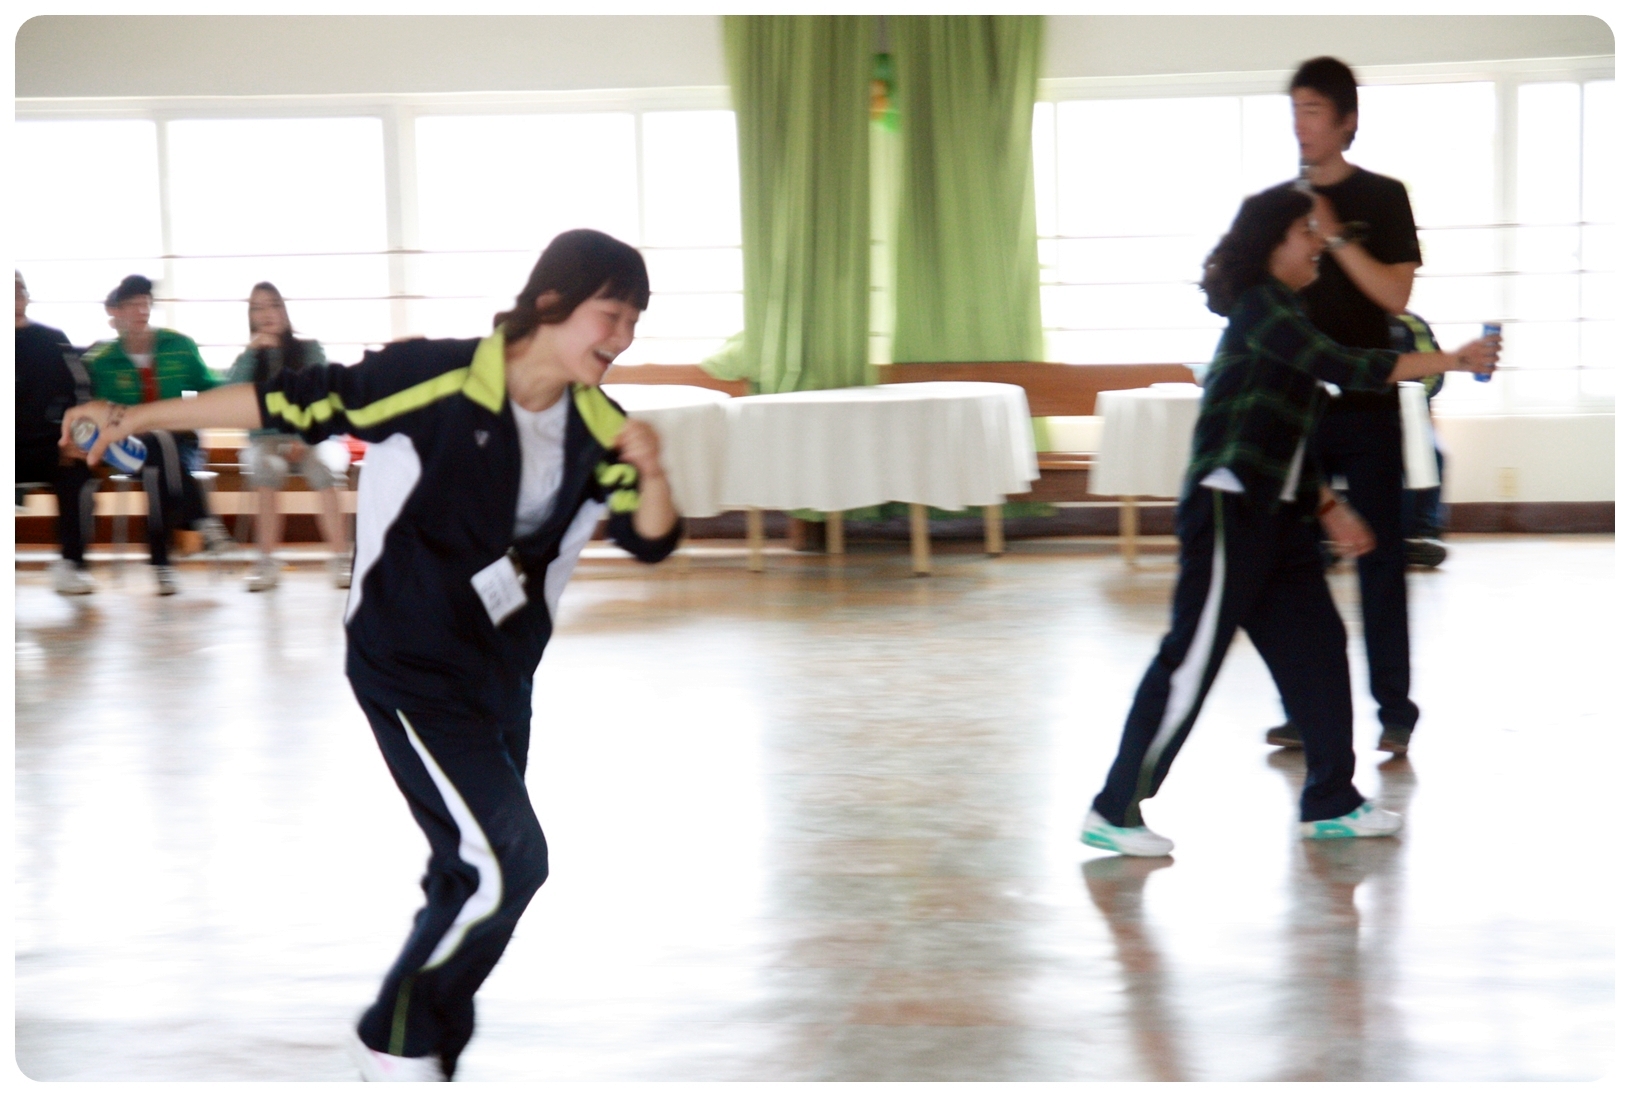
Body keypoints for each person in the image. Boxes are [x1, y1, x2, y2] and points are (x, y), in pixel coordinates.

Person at [63, 229, 681, 1081]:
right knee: (511, 861)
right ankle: (394, 1040)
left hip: (503, 673)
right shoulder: (435, 376)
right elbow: (283, 401)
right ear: (552, 302)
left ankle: (430, 1040)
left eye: (636, 320)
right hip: (408, 662)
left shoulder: (598, 424)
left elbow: (651, 541)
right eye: (611, 314)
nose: (624, 336)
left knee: (466, 865)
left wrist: (653, 471)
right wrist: (132, 416)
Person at [1078, 186, 1498, 858]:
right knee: (1191, 657)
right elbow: (1345, 367)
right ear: (1273, 242)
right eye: (1307, 231)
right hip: (1231, 508)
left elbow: (1287, 433)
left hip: (1278, 514)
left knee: (1318, 648)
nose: (1317, 243)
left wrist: (1329, 509)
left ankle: (1331, 801)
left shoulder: (1286, 313)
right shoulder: (1261, 307)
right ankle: (1113, 808)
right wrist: (1453, 358)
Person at [1266, 56, 1427, 757]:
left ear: (1345, 121)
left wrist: (1333, 233)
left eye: (1312, 111)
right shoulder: (1278, 204)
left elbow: (1395, 296)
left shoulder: (1384, 198)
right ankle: (1303, 710)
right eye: (1294, 111)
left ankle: (1395, 710)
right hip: (1297, 408)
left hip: (1367, 403)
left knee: (1380, 558)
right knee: (1294, 564)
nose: (1299, 125)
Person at [80, 274, 233, 595]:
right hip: (126, 447)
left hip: (181, 442)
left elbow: (208, 386)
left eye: (146, 303)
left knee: (159, 462)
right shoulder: (103, 362)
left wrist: (242, 386)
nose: (141, 310)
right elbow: (96, 411)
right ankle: (201, 520)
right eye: (132, 305)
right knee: (157, 448)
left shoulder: (179, 346)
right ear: (116, 313)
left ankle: (162, 566)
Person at [225, 282, 352, 591]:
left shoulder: (310, 350)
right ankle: (266, 562)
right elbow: (230, 395)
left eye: (273, 305)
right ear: (250, 316)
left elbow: (322, 397)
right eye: (257, 308)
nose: (266, 313)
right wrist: (250, 352)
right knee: (265, 470)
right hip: (264, 440)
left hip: (313, 435)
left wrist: (303, 438)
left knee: (324, 469)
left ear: (284, 310)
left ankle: (340, 559)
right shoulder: (249, 358)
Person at [14, 271, 97, 595]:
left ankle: (71, 565)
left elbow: (81, 394)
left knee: (79, 475)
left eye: (19, 288)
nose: (14, 294)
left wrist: (73, 439)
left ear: (27, 296)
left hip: (52, 446)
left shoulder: (52, 340)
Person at [1390, 311, 1450, 568]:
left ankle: (1422, 534)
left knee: (1434, 455)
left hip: (1411, 413)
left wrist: (1411, 397)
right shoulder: (1350, 318)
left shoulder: (1412, 324)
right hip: (1360, 414)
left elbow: (1436, 372)